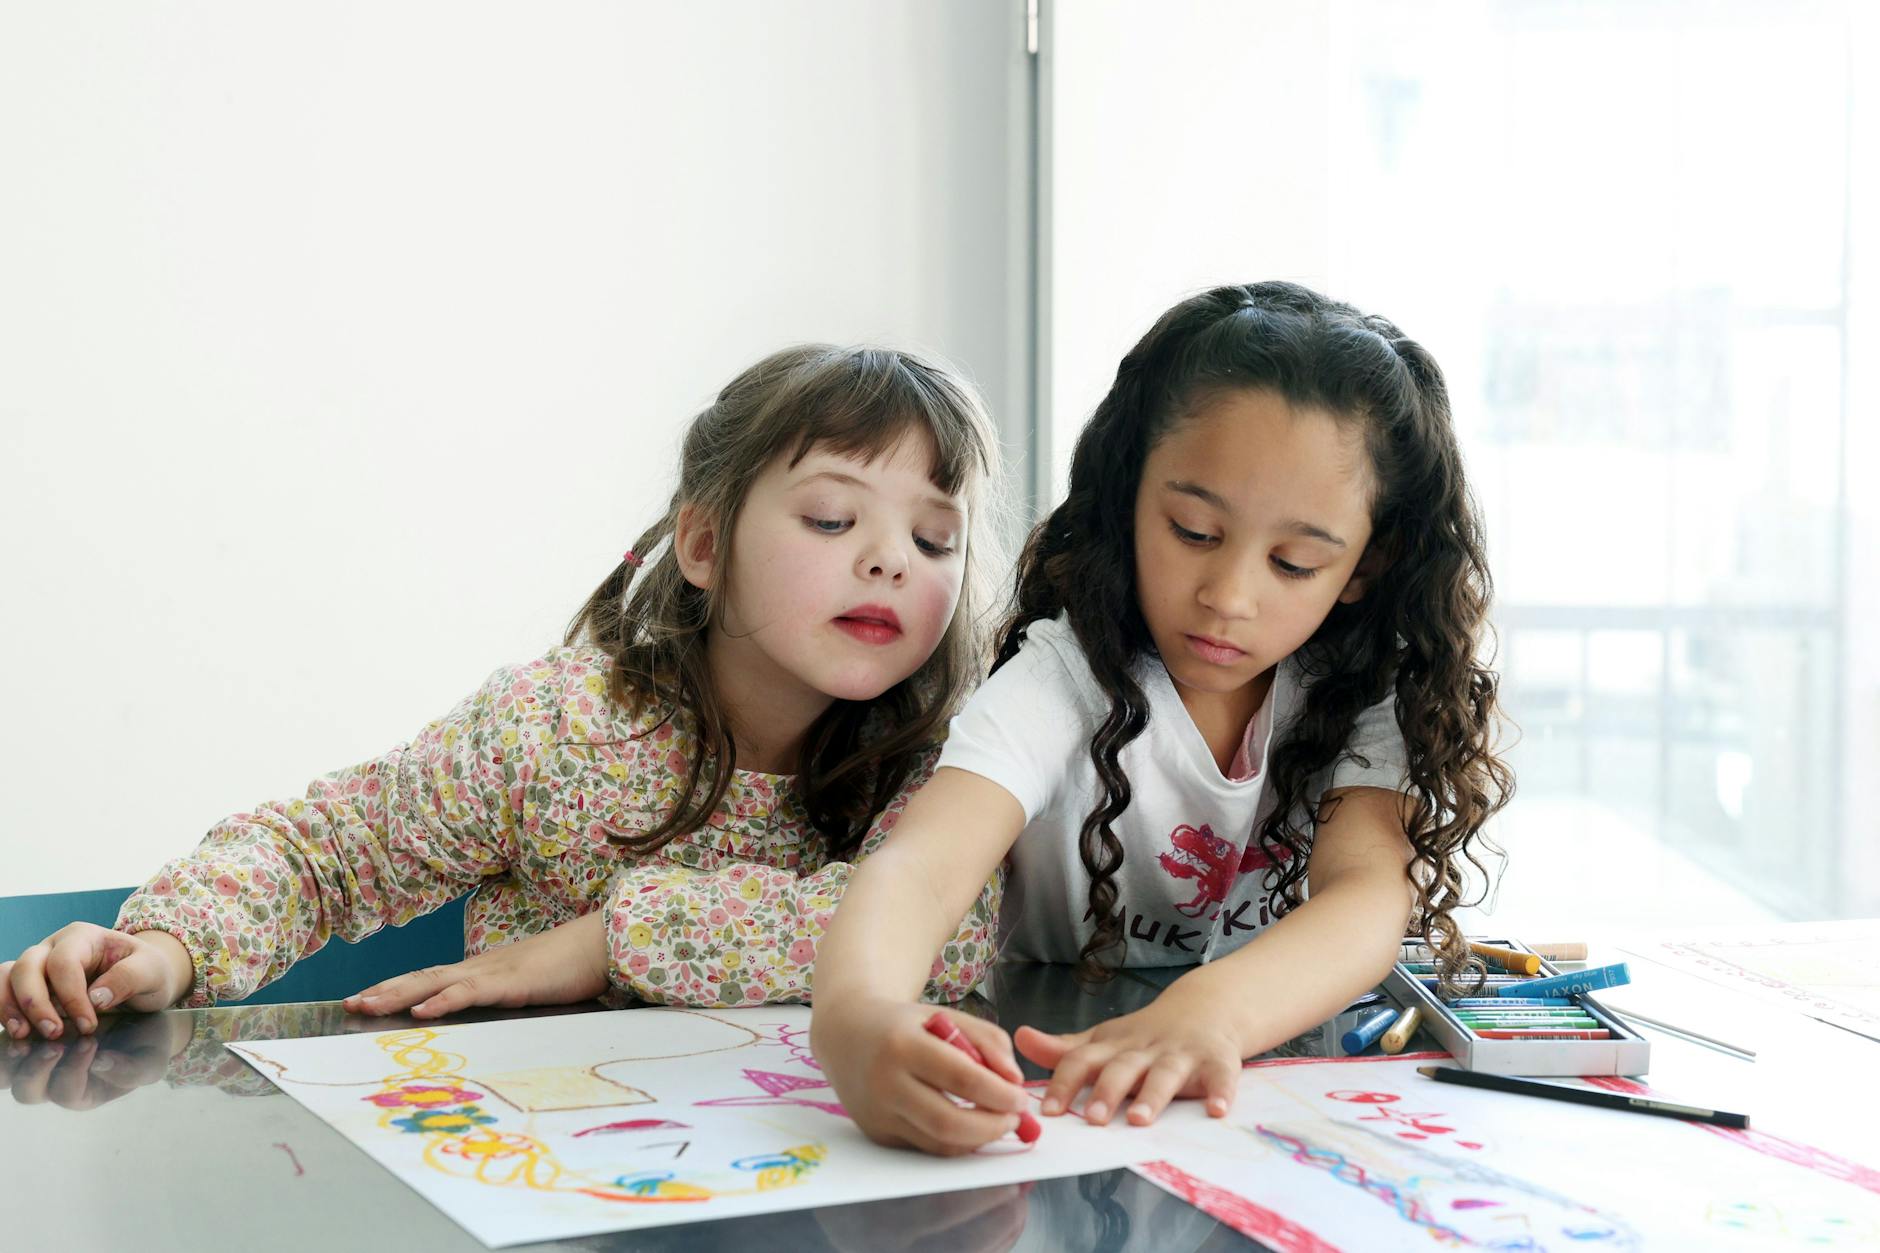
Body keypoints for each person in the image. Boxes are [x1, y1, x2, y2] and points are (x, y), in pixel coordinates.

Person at [2, 343, 1006, 1041]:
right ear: (704, 544)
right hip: (540, 1169)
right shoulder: (560, 729)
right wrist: (167, 946)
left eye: (932, 539)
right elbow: (327, 854)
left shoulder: (945, 758)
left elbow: (947, 924)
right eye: (832, 518)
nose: (887, 561)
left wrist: (609, 940)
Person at [811, 282, 1513, 1155]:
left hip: (1232, 1112)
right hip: (1055, 1094)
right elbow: (917, 868)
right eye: (1192, 530)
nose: (1228, 597)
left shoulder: (1357, 690)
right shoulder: (1067, 677)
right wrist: (855, 1018)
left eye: (1294, 563)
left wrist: (1212, 1011)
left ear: (1366, 566)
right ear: (1128, 494)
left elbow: (1366, 894)